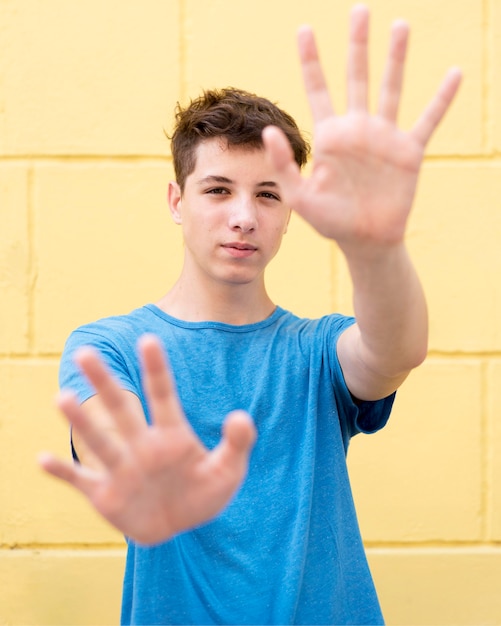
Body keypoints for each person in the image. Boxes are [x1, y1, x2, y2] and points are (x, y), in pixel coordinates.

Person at [39, 5, 461, 625]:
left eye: (268, 194)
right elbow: (106, 437)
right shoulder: (113, 347)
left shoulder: (318, 352)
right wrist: (140, 470)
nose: (244, 216)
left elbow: (396, 350)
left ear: (290, 210)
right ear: (176, 202)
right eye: (217, 190)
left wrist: (378, 246)